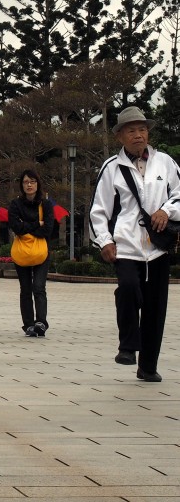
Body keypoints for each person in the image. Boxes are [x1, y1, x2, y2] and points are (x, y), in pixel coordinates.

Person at [89, 106, 180, 382]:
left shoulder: (165, 162)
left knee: (156, 306)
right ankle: (128, 346)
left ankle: (148, 366)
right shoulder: (111, 168)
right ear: (120, 136)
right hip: (126, 244)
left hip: (157, 247)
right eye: (131, 130)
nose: (138, 135)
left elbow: (178, 194)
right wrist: (104, 241)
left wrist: (167, 211)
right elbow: (98, 210)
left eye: (142, 129)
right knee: (128, 288)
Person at [8, 169, 55, 338]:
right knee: (25, 288)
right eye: (26, 182)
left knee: (39, 287)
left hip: (41, 251)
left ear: (38, 184)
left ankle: (41, 322)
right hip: (22, 252)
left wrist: (26, 226)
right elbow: (16, 227)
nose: (29, 185)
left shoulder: (46, 204)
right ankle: (28, 324)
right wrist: (37, 223)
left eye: (33, 181)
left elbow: (48, 229)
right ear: (21, 185)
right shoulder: (15, 204)